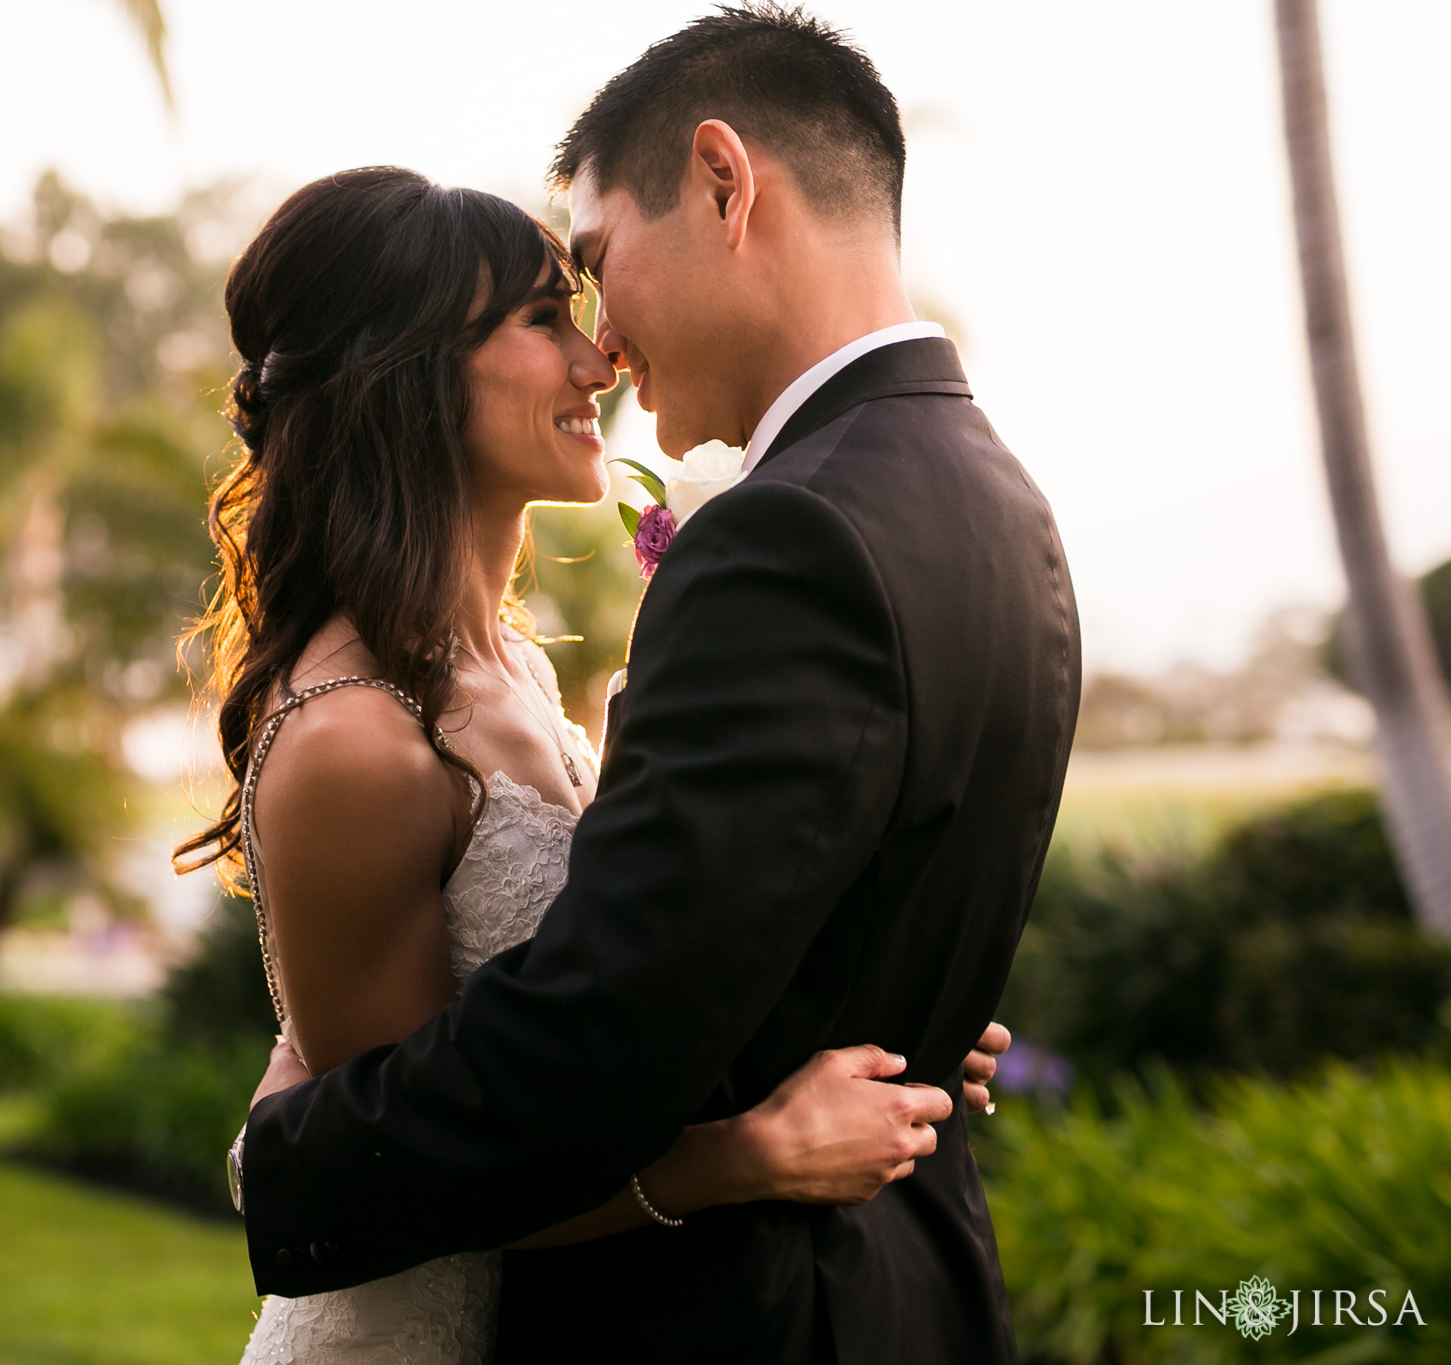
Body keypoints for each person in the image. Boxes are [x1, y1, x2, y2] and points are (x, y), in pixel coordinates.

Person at [217, 6, 1081, 1363]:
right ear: (407, 382)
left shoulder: (774, 545)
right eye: (549, 310)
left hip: (759, 1307)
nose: (601, 347)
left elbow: (620, 1013)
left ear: (725, 184)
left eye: (593, 272)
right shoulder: (993, 497)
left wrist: (297, 1153)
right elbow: (622, 1004)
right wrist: (773, 1118)